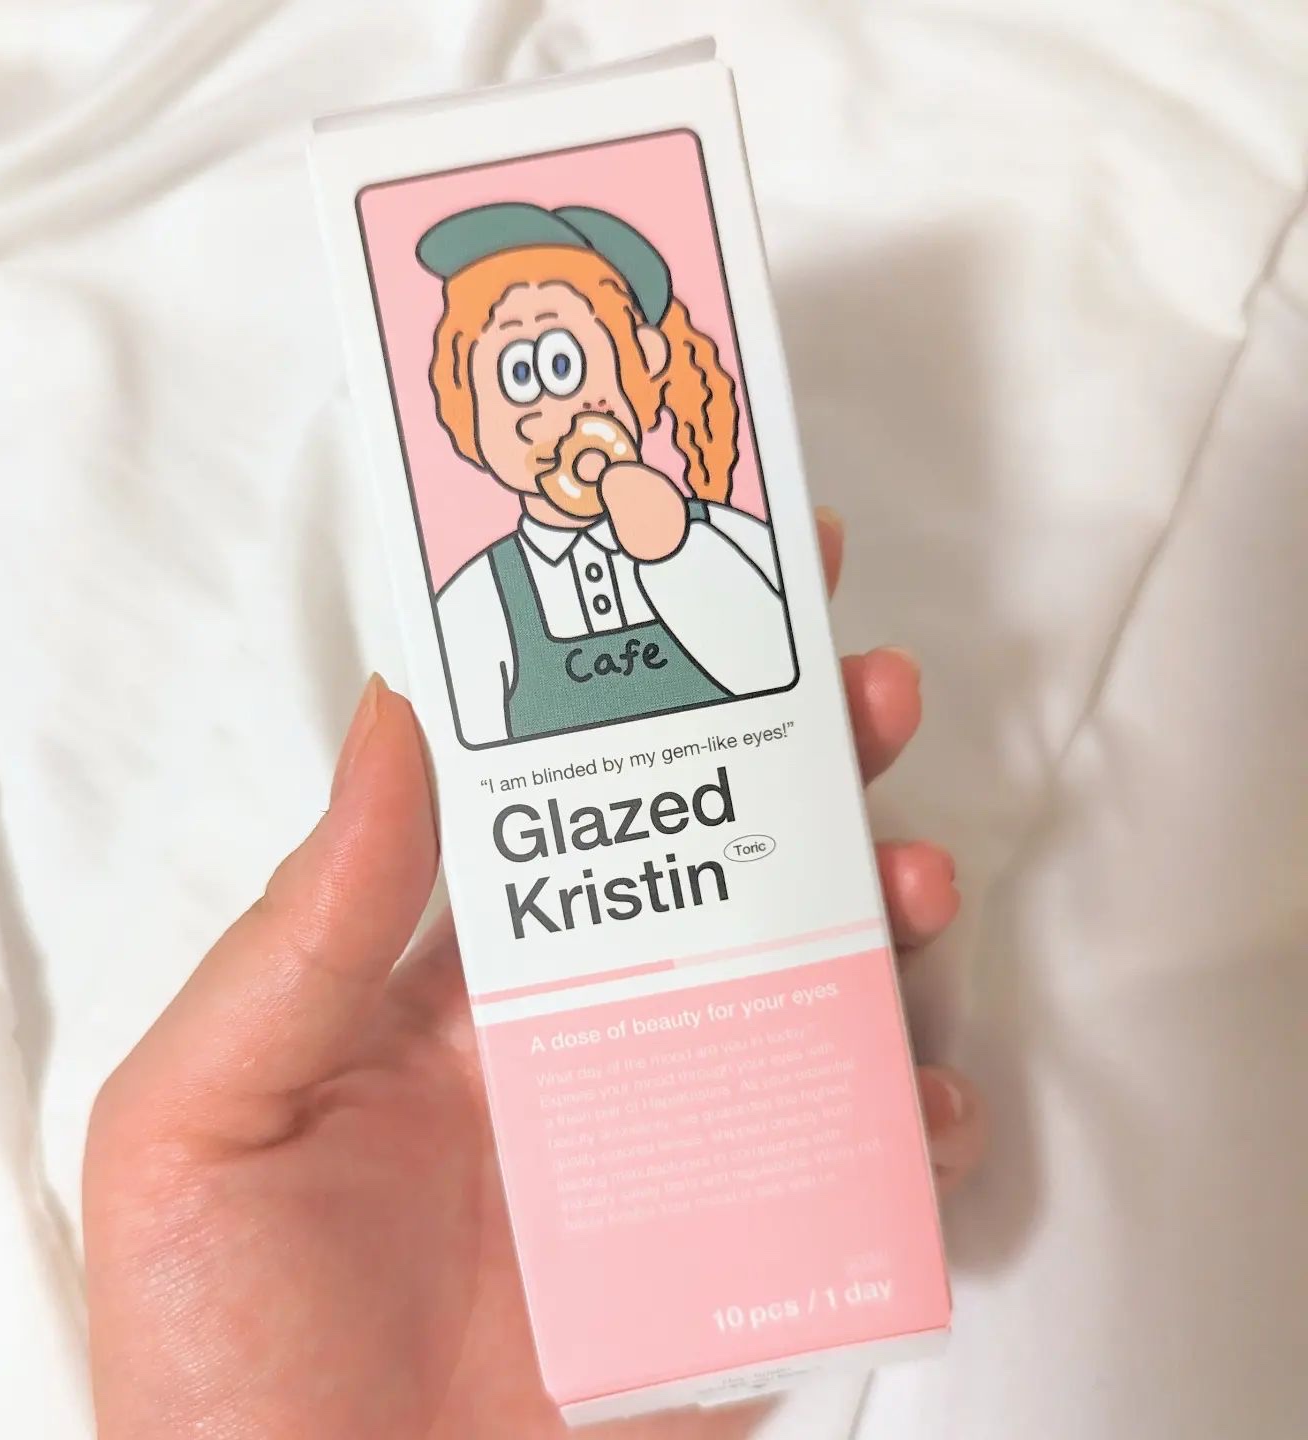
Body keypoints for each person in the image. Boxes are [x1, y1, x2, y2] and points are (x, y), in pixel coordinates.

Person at [83, 512, 986, 1439]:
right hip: (589, 1046)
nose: (573, 442)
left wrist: (682, 554)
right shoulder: (484, 596)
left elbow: (756, 646)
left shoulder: (700, 551)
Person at [419, 203, 796, 745]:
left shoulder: (731, 538)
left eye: (563, 364)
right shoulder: (478, 603)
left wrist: (677, 554)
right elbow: (473, 765)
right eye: (517, 374)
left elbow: (784, 688)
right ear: (465, 406)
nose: (547, 411)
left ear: (644, 359)